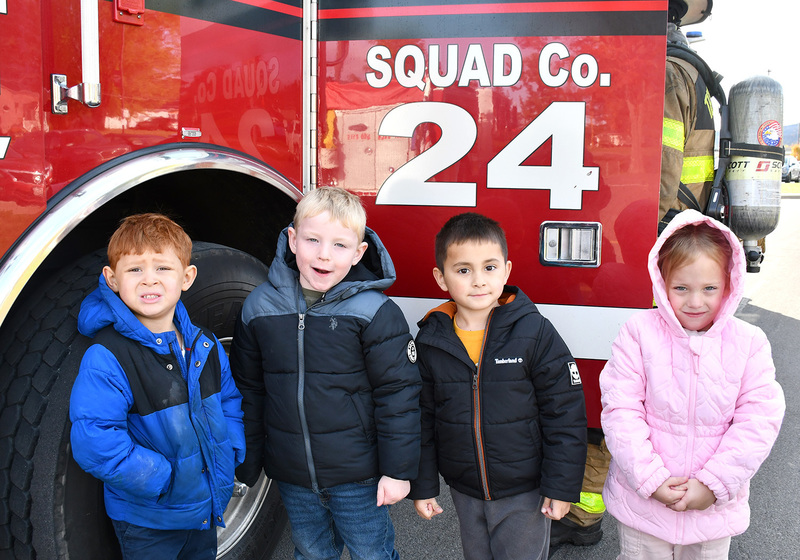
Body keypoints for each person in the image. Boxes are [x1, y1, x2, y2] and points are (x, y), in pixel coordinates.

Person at [230, 186, 420, 560]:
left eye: (339, 245)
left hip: (359, 476)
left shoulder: (375, 311)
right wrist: (247, 463)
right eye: (313, 240)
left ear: (359, 252)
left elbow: (399, 394)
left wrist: (398, 471)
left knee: (372, 553)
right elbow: (248, 390)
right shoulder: (259, 307)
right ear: (293, 239)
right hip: (293, 474)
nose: (323, 255)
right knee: (313, 553)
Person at [600, 209, 785, 559]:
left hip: (712, 510)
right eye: (681, 288)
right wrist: (650, 479)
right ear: (661, 283)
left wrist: (713, 485)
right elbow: (620, 409)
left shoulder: (749, 342)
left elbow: (759, 422)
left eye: (709, 288)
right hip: (646, 508)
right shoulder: (639, 333)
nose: (695, 301)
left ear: (729, 285)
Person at [409, 212, 587, 560]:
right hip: (465, 489)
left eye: (489, 268)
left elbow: (564, 413)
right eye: (463, 270)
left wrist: (561, 486)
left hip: (526, 491)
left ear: (506, 271)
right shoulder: (432, 341)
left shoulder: (533, 332)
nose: (478, 281)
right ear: (441, 278)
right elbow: (422, 422)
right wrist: (424, 486)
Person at [69, 213, 245, 560]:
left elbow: (229, 399)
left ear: (187, 277)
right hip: (149, 521)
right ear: (112, 279)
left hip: (205, 504)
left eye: (162, 268)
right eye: (135, 269)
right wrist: (160, 479)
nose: (149, 280)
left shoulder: (204, 344)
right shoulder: (108, 356)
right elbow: (95, 439)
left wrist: (232, 447)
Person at [659, 0, 716, 233]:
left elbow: (664, 164)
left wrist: (644, 226)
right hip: (688, 214)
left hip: (670, 221)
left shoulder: (667, 74)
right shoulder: (691, 70)